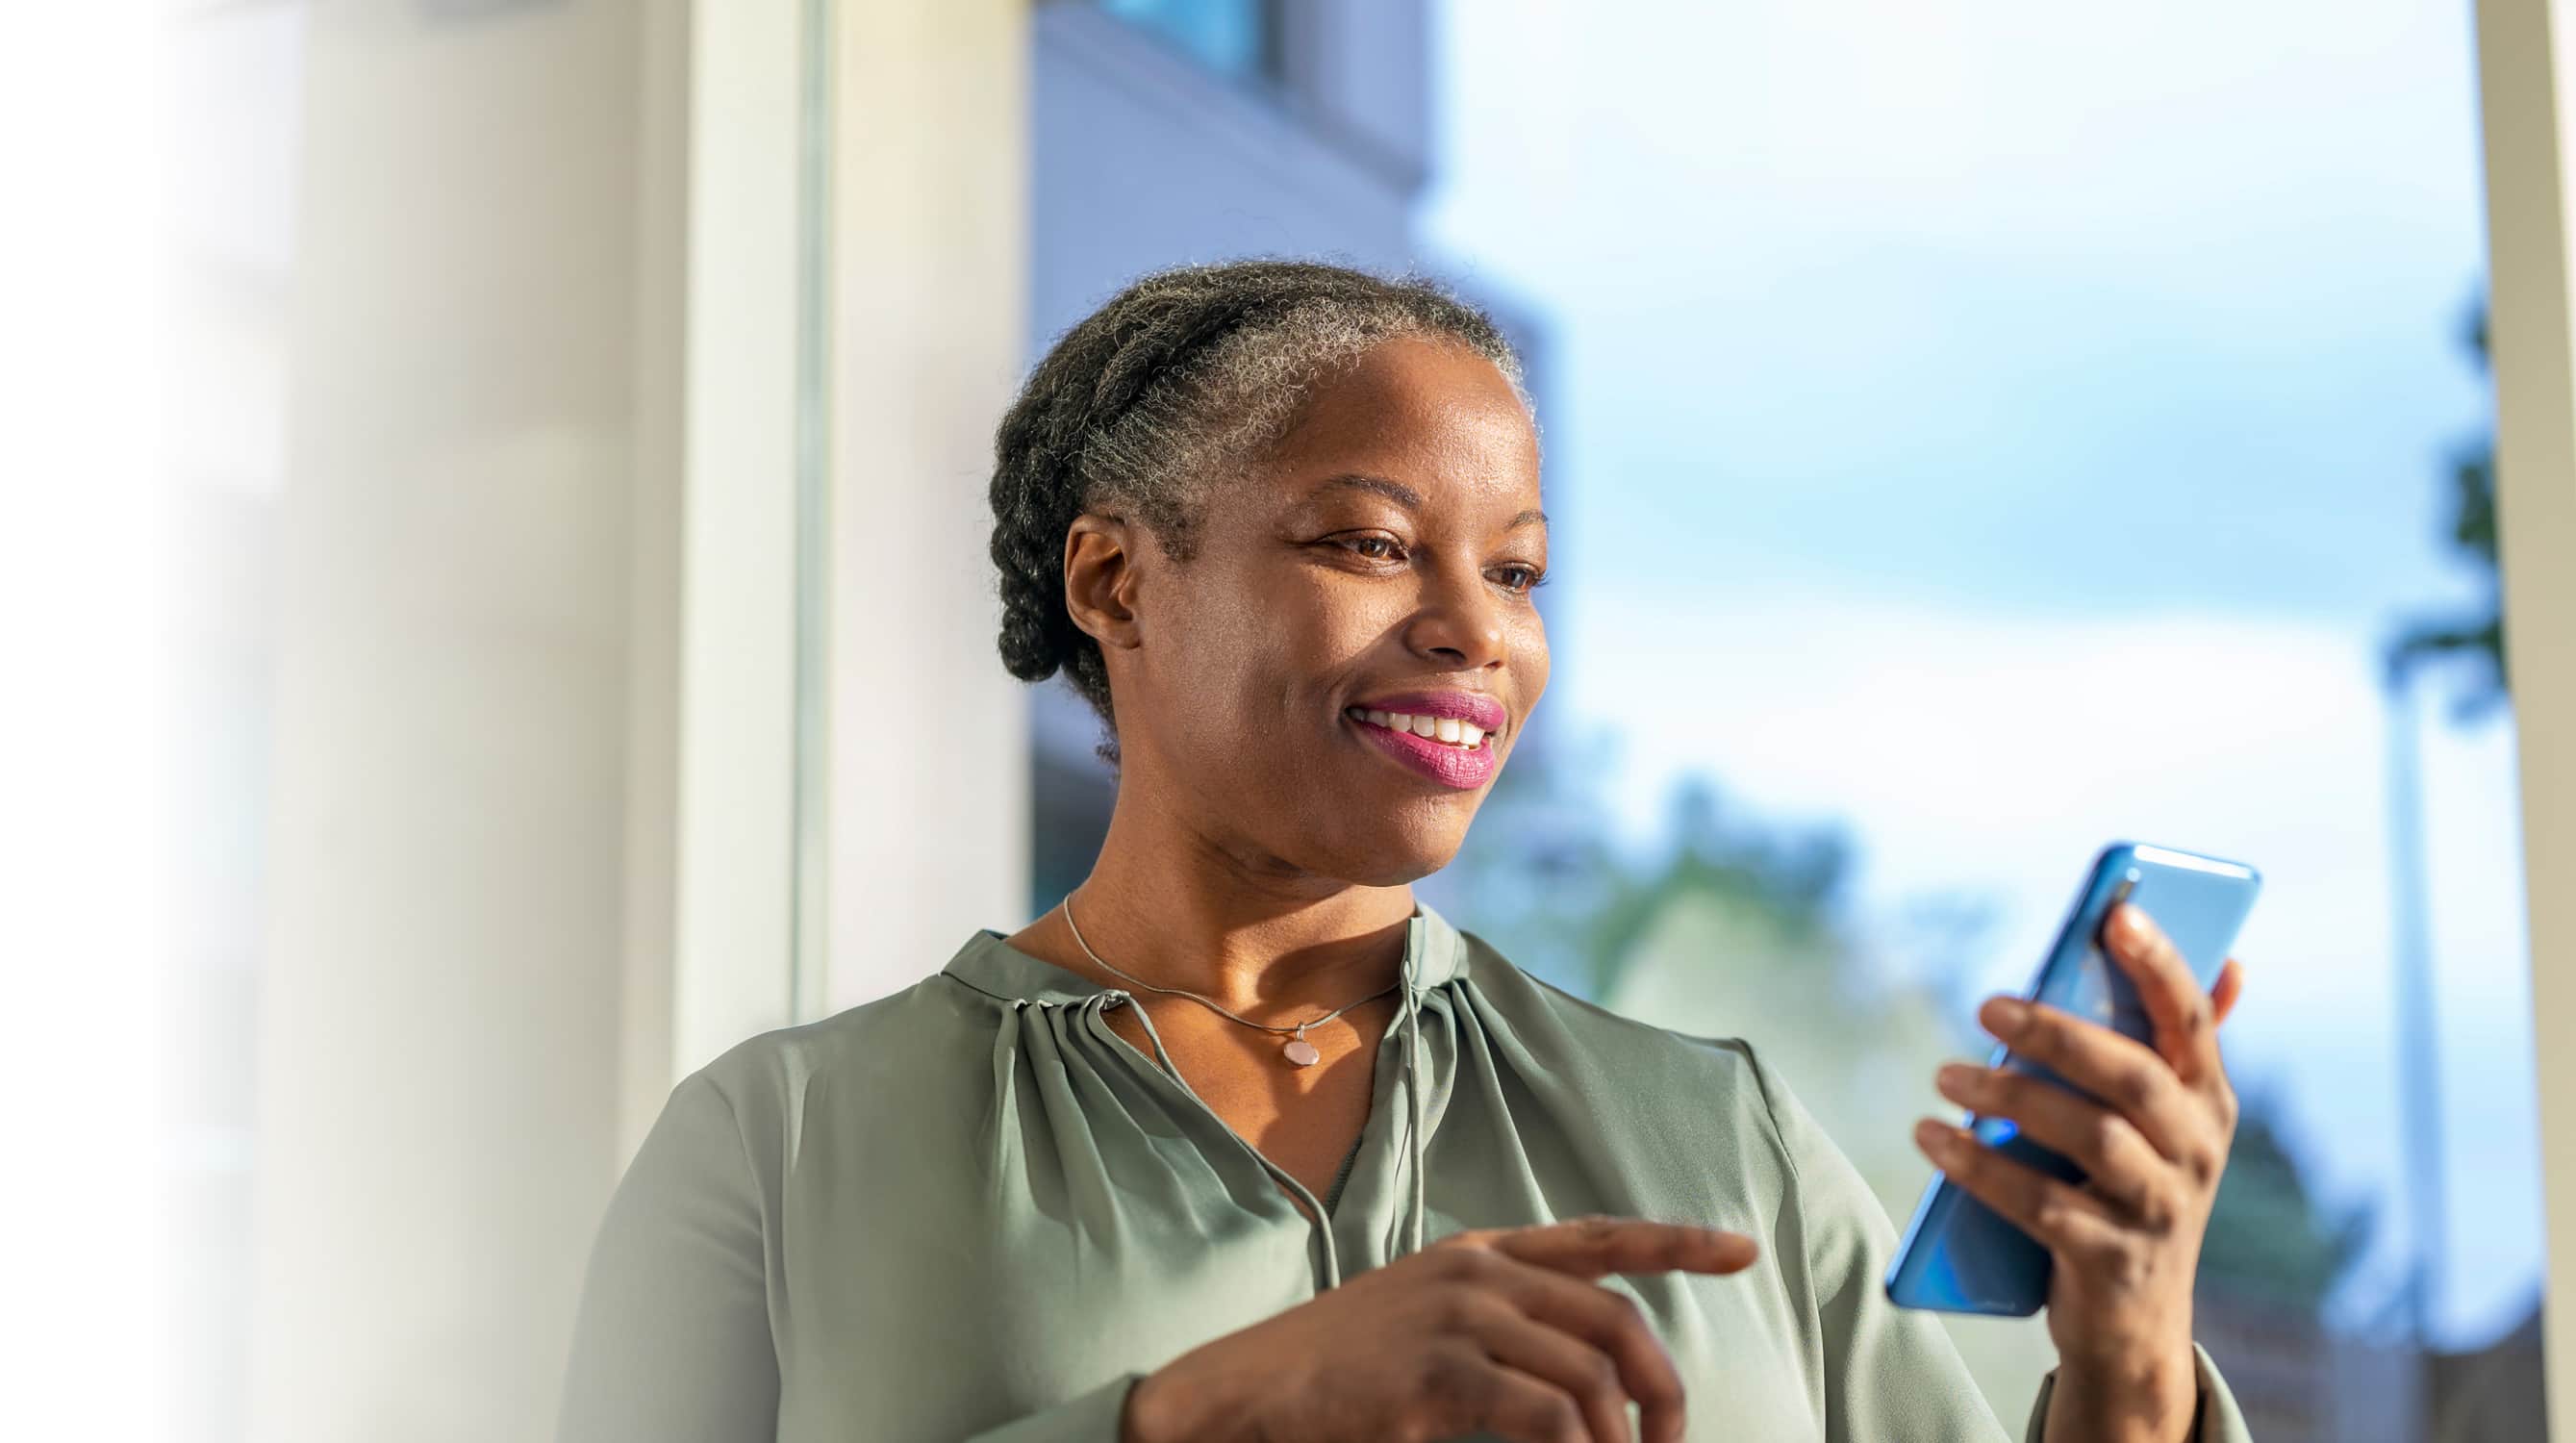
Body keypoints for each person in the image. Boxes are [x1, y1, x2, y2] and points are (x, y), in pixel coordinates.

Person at [554, 261, 2257, 1443]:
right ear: (1115, 582)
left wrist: (2128, 1361)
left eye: (1515, 571)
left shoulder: (1715, 1131)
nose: (1473, 632)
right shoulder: (781, 1148)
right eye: (1371, 542)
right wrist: (1205, 1416)